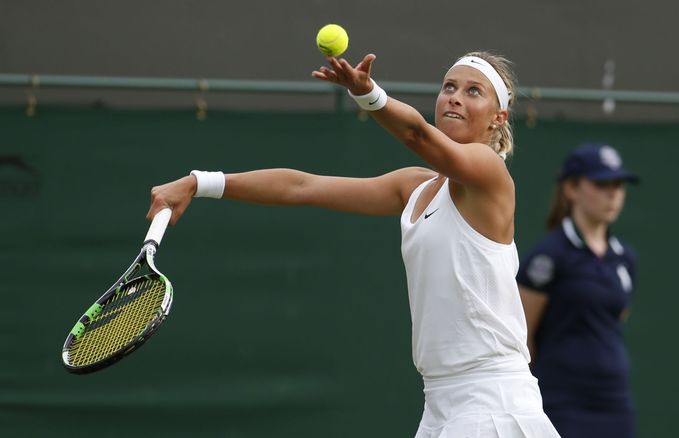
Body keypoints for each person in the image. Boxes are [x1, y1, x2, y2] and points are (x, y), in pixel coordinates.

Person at [147, 51, 559, 437]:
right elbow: (301, 186)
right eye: (449, 87)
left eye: (473, 91)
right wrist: (199, 182)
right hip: (441, 402)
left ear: (497, 117)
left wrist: (369, 94)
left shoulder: (490, 175)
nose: (454, 98)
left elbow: (417, 134)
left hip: (493, 401)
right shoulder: (414, 188)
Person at [517, 143, 639, 438]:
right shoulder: (548, 257)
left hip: (614, 400)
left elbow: (613, 320)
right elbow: (521, 338)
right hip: (560, 403)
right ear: (571, 189)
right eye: (600, 184)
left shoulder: (625, 259)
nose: (613, 194)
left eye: (618, 185)